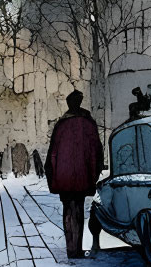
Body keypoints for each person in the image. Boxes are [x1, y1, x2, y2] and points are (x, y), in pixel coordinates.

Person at [45, 90, 103, 260]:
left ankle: (71, 249)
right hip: (83, 175)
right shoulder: (88, 123)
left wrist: (53, 176)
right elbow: (97, 152)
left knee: (68, 212)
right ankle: (77, 249)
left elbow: (52, 154)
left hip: (64, 176)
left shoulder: (61, 124)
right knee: (78, 210)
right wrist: (94, 174)